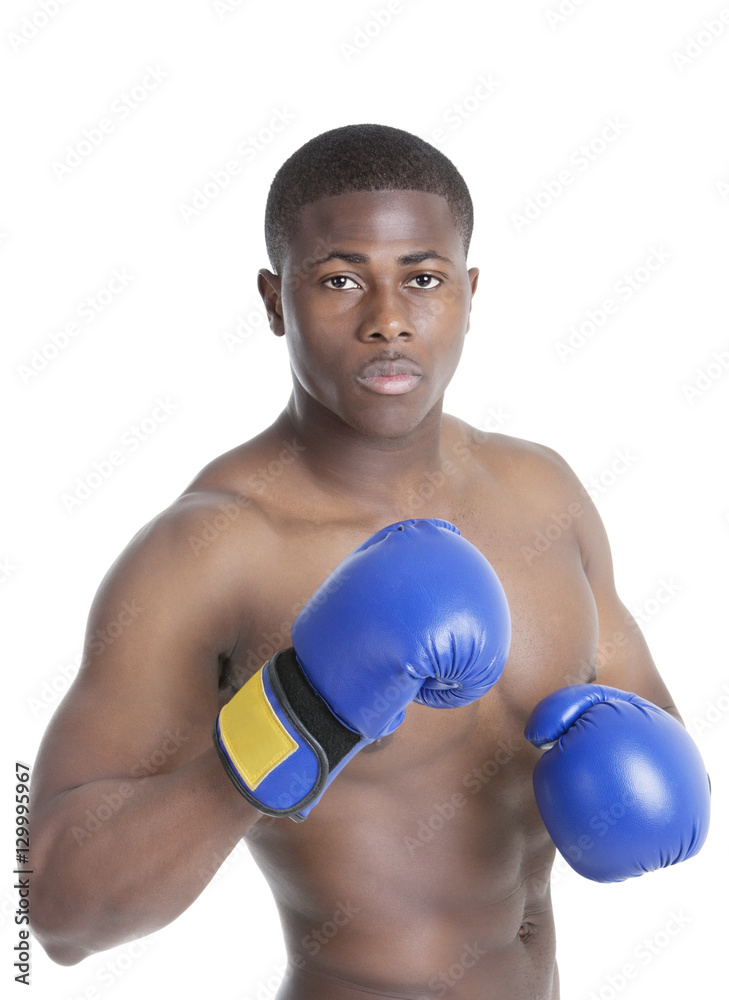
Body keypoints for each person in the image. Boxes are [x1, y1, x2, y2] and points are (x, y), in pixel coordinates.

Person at [29, 124, 709, 999]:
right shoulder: (209, 552)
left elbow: (652, 726)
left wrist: (645, 762)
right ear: (275, 302)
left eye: (421, 279)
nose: (387, 318)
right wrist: (297, 718)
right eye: (341, 279)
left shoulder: (543, 495)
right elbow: (51, 911)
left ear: (468, 292)